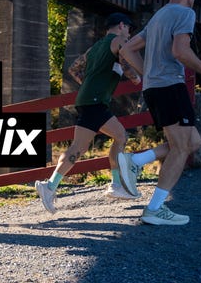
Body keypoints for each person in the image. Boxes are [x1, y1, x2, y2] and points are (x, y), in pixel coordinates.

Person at [120, 0, 201, 225]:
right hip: (170, 87)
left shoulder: (158, 16)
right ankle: (155, 209)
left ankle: (137, 160)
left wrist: (149, 73)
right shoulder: (185, 13)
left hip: (156, 88)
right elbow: (180, 51)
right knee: (181, 147)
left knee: (193, 141)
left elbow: (126, 49)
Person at [34, 12, 144, 214]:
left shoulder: (96, 47)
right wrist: (137, 78)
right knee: (98, 142)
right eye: (129, 29)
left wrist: (89, 84)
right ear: (121, 25)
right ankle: (52, 187)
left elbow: (74, 68)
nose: (129, 34)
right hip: (94, 101)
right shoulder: (118, 40)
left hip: (90, 100)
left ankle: (112, 185)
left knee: (109, 138)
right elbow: (125, 60)